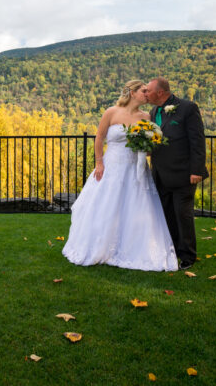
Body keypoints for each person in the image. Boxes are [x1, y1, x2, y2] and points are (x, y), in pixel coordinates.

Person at [62, 80, 178, 271]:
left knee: (135, 206)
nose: (147, 95)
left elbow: (149, 149)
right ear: (133, 93)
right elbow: (99, 138)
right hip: (111, 167)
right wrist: (99, 162)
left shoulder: (146, 116)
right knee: (105, 206)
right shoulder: (111, 112)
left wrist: (147, 146)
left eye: (148, 92)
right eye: (144, 91)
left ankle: (132, 248)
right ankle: (100, 246)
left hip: (135, 169)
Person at [146, 77, 209, 270]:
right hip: (160, 173)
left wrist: (196, 170)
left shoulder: (187, 108)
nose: (145, 93)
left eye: (148, 90)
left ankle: (187, 256)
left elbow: (197, 141)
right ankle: (171, 251)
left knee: (183, 215)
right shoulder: (154, 111)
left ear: (160, 92)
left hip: (183, 173)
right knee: (166, 215)